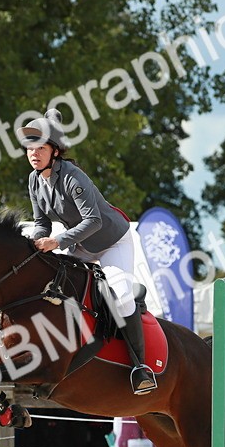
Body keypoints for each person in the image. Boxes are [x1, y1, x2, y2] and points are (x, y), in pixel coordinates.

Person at [16, 109, 156, 394]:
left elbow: (94, 220)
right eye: (30, 148)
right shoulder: (34, 180)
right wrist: (35, 244)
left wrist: (57, 242)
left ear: (55, 151)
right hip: (81, 243)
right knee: (56, 289)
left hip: (112, 241)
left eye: (40, 148)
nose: (33, 154)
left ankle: (140, 367)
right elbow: (41, 223)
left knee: (120, 295)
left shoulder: (72, 177)